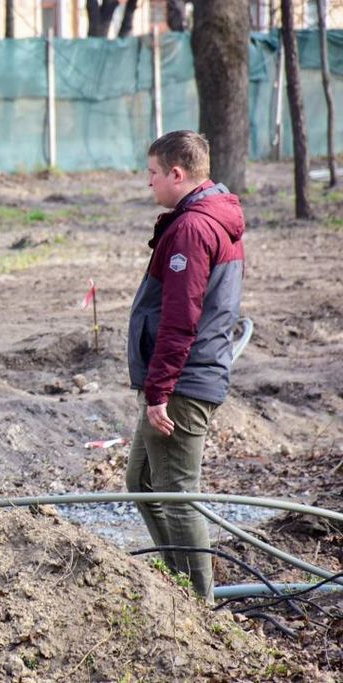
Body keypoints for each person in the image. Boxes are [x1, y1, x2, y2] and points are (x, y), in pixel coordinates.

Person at [125, 130, 245, 603]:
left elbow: (180, 319)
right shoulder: (204, 217)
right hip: (181, 375)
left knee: (175, 491)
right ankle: (179, 583)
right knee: (142, 482)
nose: (148, 181)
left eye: (153, 173)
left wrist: (158, 391)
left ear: (177, 174)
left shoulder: (194, 229)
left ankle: (198, 604)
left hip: (183, 381)